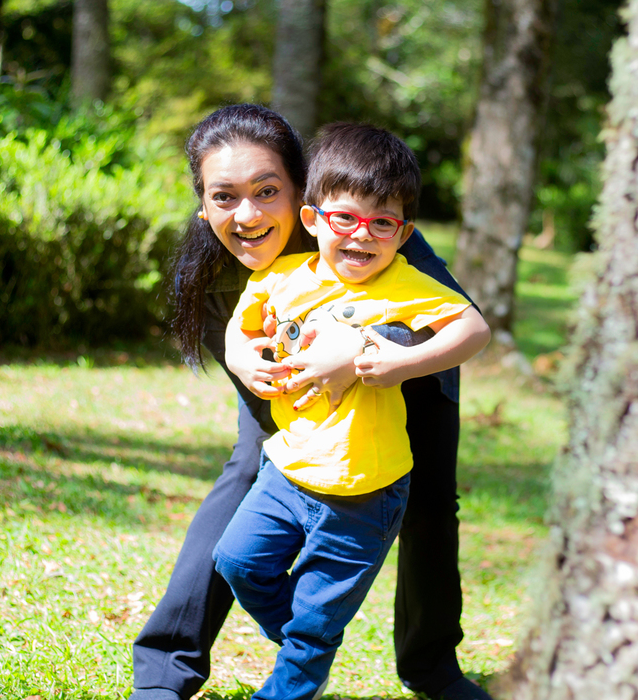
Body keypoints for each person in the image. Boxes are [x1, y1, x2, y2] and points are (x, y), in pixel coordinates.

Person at [130, 104, 494, 700]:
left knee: (428, 497)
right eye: (224, 196)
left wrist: (361, 350)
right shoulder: (217, 263)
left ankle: (432, 667)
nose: (246, 214)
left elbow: (452, 325)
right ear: (204, 203)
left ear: (302, 189)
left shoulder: (371, 229)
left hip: (407, 375)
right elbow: (241, 340)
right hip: (289, 377)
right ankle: (168, 670)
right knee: (249, 469)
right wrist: (244, 357)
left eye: (266, 190)